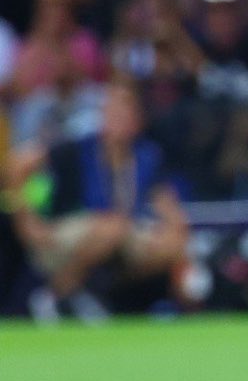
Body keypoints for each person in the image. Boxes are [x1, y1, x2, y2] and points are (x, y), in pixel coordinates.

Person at [10, 77, 191, 321]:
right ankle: (55, 294)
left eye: (125, 112)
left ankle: (115, 299)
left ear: (138, 120)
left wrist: (174, 233)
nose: (118, 119)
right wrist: (27, 223)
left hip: (122, 233)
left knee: (172, 245)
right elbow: (17, 167)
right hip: (70, 227)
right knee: (112, 228)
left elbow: (168, 206)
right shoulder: (75, 148)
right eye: (113, 111)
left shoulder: (146, 156)